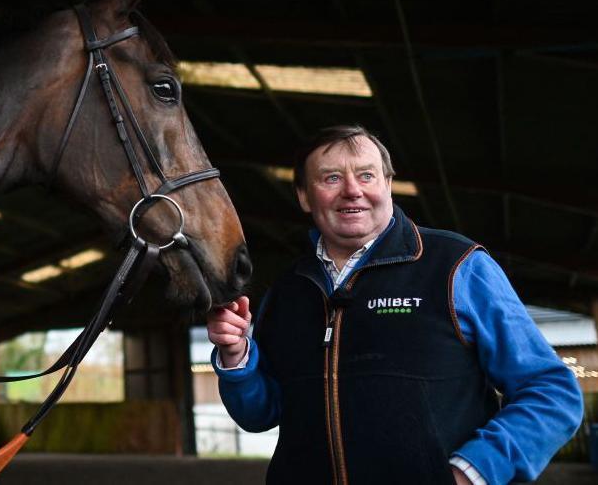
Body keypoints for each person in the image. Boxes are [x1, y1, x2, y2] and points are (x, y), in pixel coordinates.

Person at [207, 125, 584, 484]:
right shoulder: (288, 291)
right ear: (305, 196)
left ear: (388, 185)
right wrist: (236, 355)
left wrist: (472, 470)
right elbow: (259, 414)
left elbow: (552, 391)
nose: (352, 190)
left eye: (367, 175)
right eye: (332, 178)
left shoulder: (456, 266)